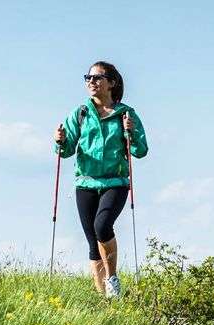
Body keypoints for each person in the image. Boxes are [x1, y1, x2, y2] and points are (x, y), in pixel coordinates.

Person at [54, 61, 148, 298]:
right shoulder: (81, 113)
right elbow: (66, 151)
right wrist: (60, 141)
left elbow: (140, 150)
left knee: (102, 226)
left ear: (111, 83)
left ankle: (112, 279)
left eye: (97, 78)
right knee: (92, 241)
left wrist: (130, 131)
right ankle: (103, 298)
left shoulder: (125, 114)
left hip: (115, 182)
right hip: (85, 182)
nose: (91, 82)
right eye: (88, 78)